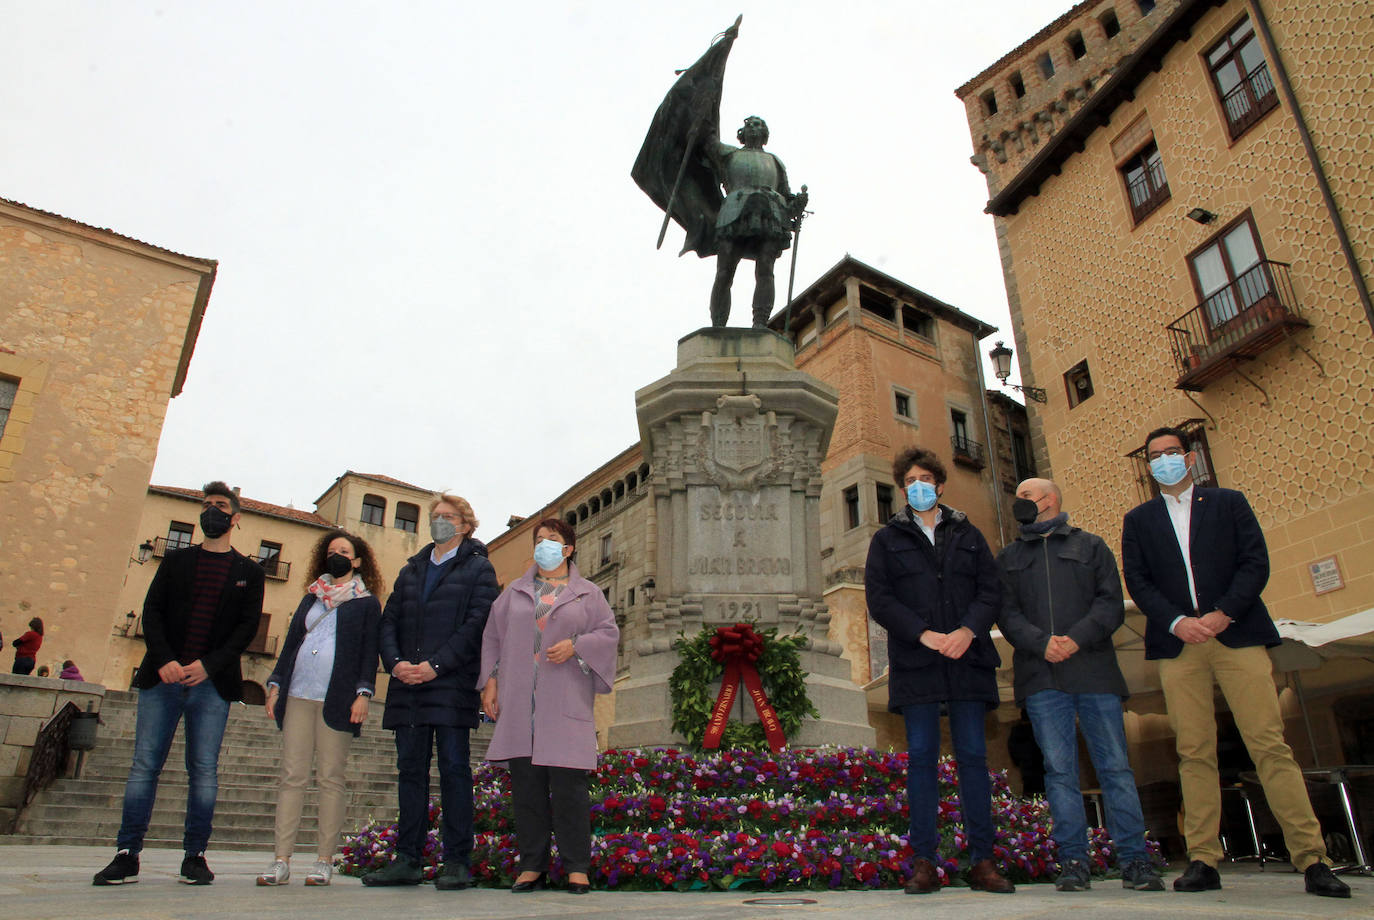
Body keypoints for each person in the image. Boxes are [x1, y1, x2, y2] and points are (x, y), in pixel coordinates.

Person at [1121, 426, 1349, 899]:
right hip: (1178, 644)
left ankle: (1313, 859)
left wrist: (1224, 614)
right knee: (1192, 750)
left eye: (1171, 452)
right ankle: (1203, 858)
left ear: (1188, 458)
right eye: (1154, 455)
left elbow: (1255, 563)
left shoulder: (1229, 503)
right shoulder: (1138, 520)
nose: (1163, 460)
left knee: (1269, 744)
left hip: (1237, 634)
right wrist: (1178, 621)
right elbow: (1138, 581)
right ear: (1148, 466)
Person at [93, 481, 265, 886]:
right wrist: (167, 659)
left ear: (235, 518)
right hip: (162, 678)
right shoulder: (175, 562)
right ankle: (126, 854)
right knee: (144, 766)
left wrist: (208, 665)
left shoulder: (250, 572)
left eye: (220, 506)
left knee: (203, 770)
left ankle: (195, 856)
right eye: (206, 505)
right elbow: (152, 612)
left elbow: (246, 629)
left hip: (212, 684)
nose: (212, 512)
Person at [997, 477, 1163, 892]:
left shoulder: (1092, 547)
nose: (1019, 503)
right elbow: (1006, 613)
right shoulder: (1009, 557)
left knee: (1116, 769)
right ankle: (1072, 861)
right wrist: (1042, 643)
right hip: (1041, 677)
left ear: (1049, 500)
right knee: (1058, 772)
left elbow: (1110, 603)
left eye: (1026, 497)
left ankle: (1135, 861)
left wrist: (1076, 639)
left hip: (1094, 672)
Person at [865, 446, 1014, 895]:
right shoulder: (886, 540)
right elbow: (880, 599)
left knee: (973, 758)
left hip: (967, 659)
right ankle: (924, 864)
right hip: (917, 664)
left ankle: (983, 862)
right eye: (910, 481)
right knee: (922, 762)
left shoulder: (968, 533)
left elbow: (990, 590)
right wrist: (924, 635)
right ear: (902, 489)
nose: (918, 487)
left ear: (940, 485)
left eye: (925, 480)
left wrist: (968, 630)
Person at [363, 495, 499, 890]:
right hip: (408, 689)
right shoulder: (411, 570)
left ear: (465, 525)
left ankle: (457, 861)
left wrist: (436, 666)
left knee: (454, 771)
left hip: (451, 687)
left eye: (448, 517)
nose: (439, 522)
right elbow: (389, 621)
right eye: (435, 516)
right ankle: (407, 858)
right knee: (410, 772)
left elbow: (478, 625)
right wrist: (395, 662)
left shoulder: (479, 569)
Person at [478, 519, 618, 894]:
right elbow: (493, 638)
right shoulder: (513, 594)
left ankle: (576, 867)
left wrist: (577, 646)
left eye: (552, 540)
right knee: (526, 788)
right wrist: (490, 682)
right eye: (539, 540)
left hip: (566, 700)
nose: (544, 546)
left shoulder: (588, 594)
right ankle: (532, 865)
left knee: (570, 788)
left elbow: (607, 633)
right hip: (521, 701)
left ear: (569, 549)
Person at [257, 530, 383, 887]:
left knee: (330, 778)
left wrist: (364, 693)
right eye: (331, 551)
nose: (337, 556)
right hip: (298, 693)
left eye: (344, 551)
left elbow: (368, 651)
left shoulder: (366, 603)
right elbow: (293, 642)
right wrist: (276, 683)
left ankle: (324, 859)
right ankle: (281, 860)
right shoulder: (310, 597)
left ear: (357, 561)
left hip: (338, 698)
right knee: (292, 776)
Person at [704, 116, 805, 327]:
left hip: (770, 211)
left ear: (765, 132)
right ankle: (718, 324)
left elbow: (786, 195)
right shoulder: (728, 154)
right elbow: (706, 141)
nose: (753, 127)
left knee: (766, 268)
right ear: (742, 132)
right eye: (749, 124)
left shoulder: (776, 162)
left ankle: (760, 321)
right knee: (724, 271)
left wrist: (798, 204)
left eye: (758, 125)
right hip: (734, 211)